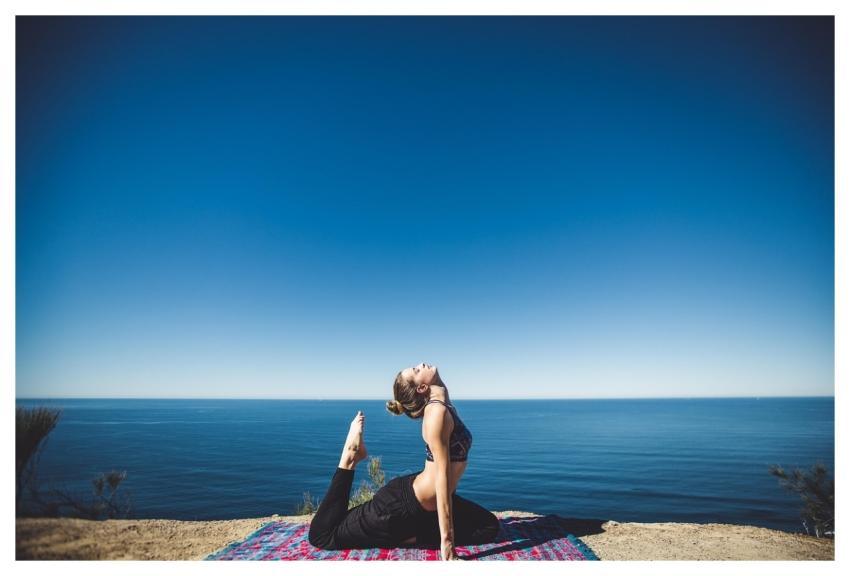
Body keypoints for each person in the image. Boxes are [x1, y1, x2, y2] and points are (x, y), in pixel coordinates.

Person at [308, 362, 500, 560]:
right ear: (422, 388)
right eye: (416, 370)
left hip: (424, 503)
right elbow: (441, 482)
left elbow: (441, 391)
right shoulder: (436, 414)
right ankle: (349, 457)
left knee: (489, 527)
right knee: (323, 535)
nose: (421, 364)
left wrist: (435, 382)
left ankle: (407, 534)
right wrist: (447, 545)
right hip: (399, 507)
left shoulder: (443, 403)